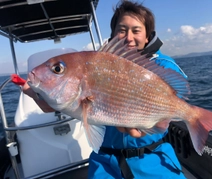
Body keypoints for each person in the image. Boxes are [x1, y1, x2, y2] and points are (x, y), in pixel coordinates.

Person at [23, 1, 188, 178]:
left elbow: (178, 97)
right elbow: (82, 106)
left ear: (148, 36)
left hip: (154, 157)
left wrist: (157, 120)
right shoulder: (97, 64)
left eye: (136, 30)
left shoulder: (163, 66)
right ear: (113, 34)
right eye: (122, 30)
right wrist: (49, 100)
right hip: (105, 161)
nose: (129, 37)